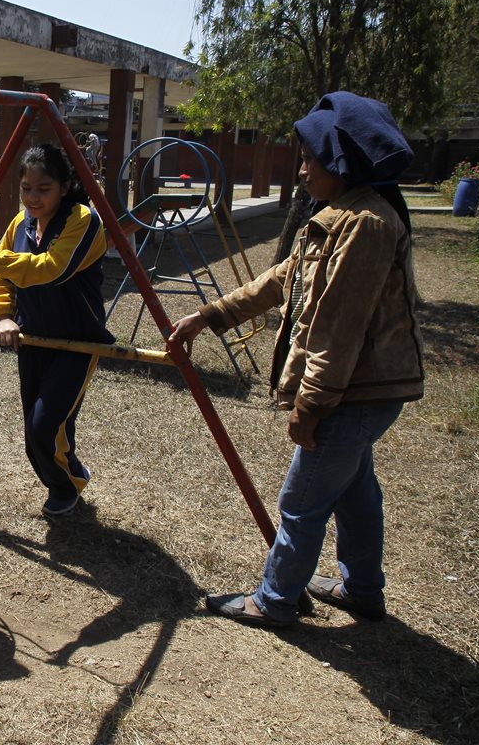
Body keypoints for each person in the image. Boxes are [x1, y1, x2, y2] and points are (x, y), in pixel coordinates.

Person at [168, 91, 424, 629]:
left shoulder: (367, 224)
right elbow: (278, 281)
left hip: (353, 393)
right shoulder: (336, 216)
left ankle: (276, 600)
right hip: (357, 394)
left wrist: (311, 403)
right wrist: (208, 316)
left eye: (309, 159)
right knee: (354, 493)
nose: (301, 170)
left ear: (338, 159)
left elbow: (340, 325)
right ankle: (362, 590)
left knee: (301, 500)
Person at [0, 142, 112, 516]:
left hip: (78, 340)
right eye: (26, 189)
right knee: (35, 432)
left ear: (65, 186)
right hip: (35, 337)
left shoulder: (84, 221)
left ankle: (68, 483)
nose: (33, 198)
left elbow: (52, 268)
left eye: (44, 189)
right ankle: (64, 476)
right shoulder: (19, 225)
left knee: (45, 425)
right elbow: (4, 277)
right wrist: (4, 314)